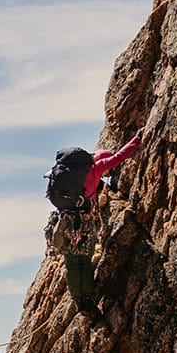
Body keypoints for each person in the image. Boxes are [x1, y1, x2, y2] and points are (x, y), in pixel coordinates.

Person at [45, 133, 141, 320]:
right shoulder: (97, 167)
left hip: (65, 220)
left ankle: (79, 300)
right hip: (84, 221)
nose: (106, 175)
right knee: (84, 260)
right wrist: (136, 139)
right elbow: (120, 156)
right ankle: (88, 299)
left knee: (71, 262)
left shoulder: (68, 170)